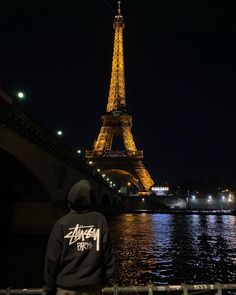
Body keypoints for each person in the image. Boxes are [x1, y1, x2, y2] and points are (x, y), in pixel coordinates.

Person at [43, 179, 116, 295]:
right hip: (93, 287)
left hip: (66, 287)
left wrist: (49, 286)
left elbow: (52, 259)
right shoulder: (99, 219)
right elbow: (107, 252)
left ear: (69, 200)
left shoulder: (62, 223)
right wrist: (106, 278)